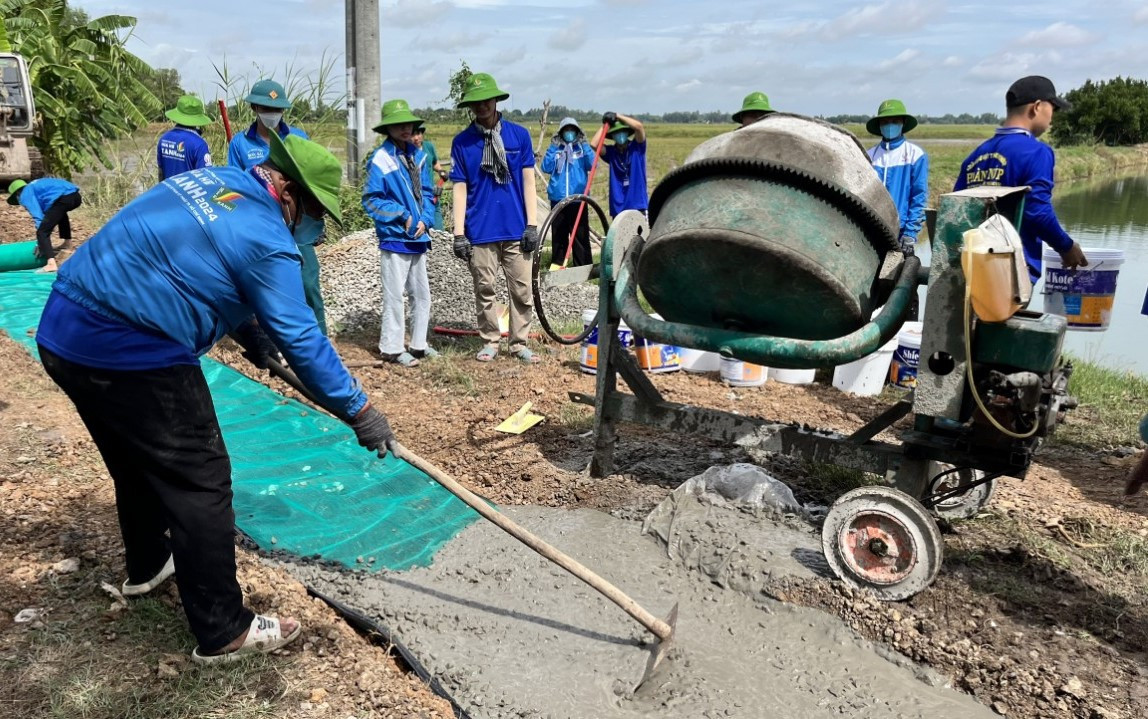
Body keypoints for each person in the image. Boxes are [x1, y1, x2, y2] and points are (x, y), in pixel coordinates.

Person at [34, 131, 397, 663]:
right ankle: (224, 628)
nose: (312, 228)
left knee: (137, 461)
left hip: (64, 333)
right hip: (132, 350)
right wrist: (361, 410)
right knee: (200, 482)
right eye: (315, 212)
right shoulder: (269, 236)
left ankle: (149, 565)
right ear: (291, 194)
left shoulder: (213, 181)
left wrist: (250, 335)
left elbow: (209, 265)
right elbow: (302, 339)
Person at [954, 76, 1088, 284]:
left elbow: (957, 212)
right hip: (1011, 272)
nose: (1052, 117)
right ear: (1036, 107)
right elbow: (1038, 213)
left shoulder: (975, 156)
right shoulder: (1036, 152)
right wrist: (1066, 247)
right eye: (1052, 108)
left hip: (971, 268)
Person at [449, 72, 540, 364]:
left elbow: (528, 182)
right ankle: (490, 340)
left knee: (522, 290)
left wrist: (532, 224)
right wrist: (459, 232)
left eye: (485, 100)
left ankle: (519, 343)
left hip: (515, 228)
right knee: (484, 289)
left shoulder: (518, 136)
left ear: (496, 100)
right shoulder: (462, 143)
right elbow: (460, 188)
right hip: (480, 229)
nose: (481, 107)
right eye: (475, 102)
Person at [228, 79, 330, 334]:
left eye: (277, 110)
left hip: (296, 222)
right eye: (265, 108)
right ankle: (270, 338)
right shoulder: (240, 144)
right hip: (261, 224)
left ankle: (319, 336)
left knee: (308, 282)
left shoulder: (297, 138)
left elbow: (313, 182)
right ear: (254, 108)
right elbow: (233, 186)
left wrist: (317, 223)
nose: (272, 115)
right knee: (267, 282)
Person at [363, 99, 437, 367]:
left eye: (408, 124)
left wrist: (426, 220)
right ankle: (391, 348)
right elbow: (371, 199)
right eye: (398, 124)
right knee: (395, 294)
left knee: (422, 294)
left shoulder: (418, 156)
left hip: (419, 236)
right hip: (395, 237)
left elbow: (427, 192)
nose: (405, 128)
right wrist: (403, 215)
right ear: (388, 128)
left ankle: (419, 344)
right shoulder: (381, 159)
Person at [867, 99, 929, 320]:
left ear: (903, 123)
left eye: (894, 120)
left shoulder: (914, 155)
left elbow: (918, 196)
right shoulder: (870, 156)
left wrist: (911, 233)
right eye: (886, 121)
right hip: (875, 230)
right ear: (879, 125)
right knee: (874, 283)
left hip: (901, 232)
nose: (890, 125)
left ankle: (908, 326)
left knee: (904, 283)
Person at [540, 117, 595, 266]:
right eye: (566, 130)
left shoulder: (581, 149)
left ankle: (583, 267)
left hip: (578, 199)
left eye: (572, 130)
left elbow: (592, 164)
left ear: (577, 132)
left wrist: (585, 143)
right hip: (558, 199)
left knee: (580, 235)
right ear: (561, 133)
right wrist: (552, 147)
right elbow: (545, 167)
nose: (569, 133)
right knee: (559, 235)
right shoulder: (556, 149)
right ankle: (558, 266)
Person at [6, 177, 82, 273]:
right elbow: (49, 210)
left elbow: (38, 217)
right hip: (75, 196)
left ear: (17, 194)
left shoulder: (25, 194)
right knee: (61, 213)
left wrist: (40, 243)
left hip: (63, 198)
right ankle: (67, 243)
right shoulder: (34, 186)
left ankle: (51, 264)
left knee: (42, 232)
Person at [591, 112, 648, 218]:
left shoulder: (637, 148)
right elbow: (594, 144)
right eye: (616, 133)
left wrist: (618, 116)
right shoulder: (611, 153)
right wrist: (605, 125)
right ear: (612, 136)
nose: (620, 135)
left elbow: (639, 127)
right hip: (618, 208)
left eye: (622, 132)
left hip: (637, 205)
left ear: (627, 133)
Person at [157, 94, 213, 181]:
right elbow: (206, 179)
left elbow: (161, 173)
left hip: (168, 193)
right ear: (198, 117)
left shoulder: (163, 139)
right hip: (190, 194)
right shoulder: (199, 144)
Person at [412, 123, 446, 230]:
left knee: (439, 231)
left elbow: (434, 162)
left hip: (432, 196)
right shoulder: (407, 153)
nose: (416, 138)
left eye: (418, 134)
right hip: (416, 198)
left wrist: (441, 171)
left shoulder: (428, 147)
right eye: (413, 135)